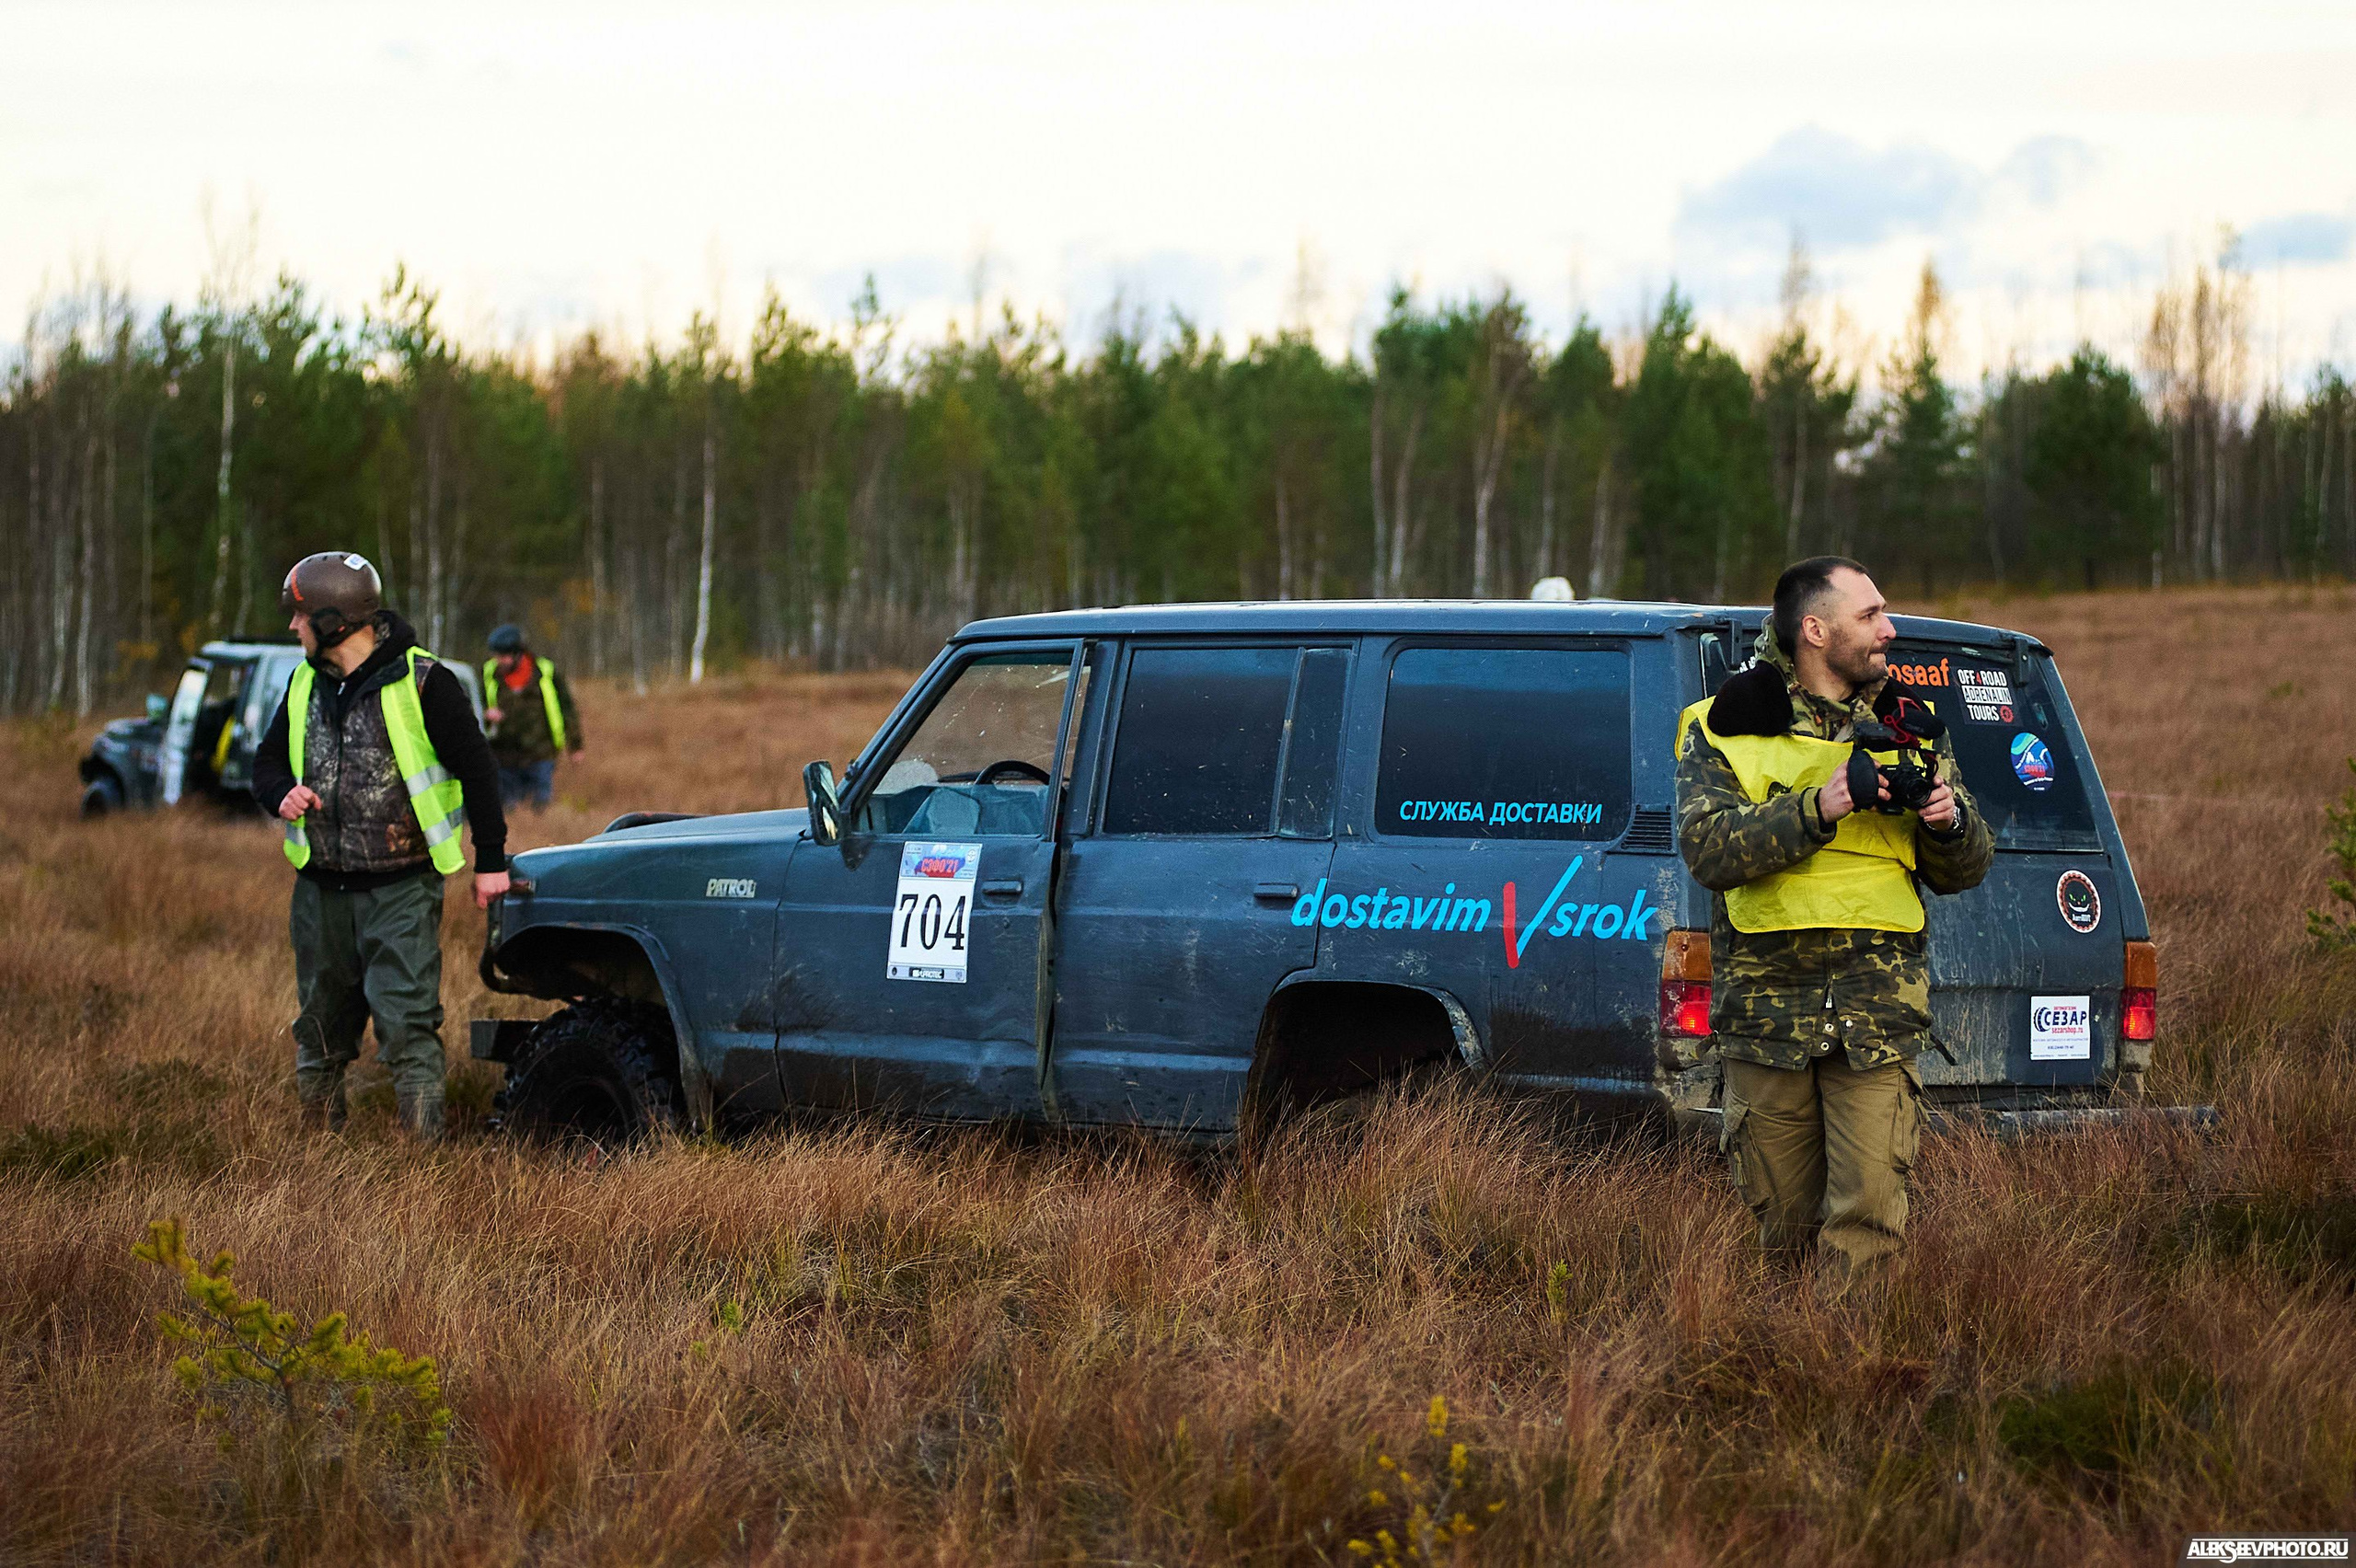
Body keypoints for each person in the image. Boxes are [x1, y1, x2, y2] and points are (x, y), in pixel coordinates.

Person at [1673, 556, 1992, 1292]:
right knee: (1781, 1229)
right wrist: (1822, 805)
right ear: (1815, 630)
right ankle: (1785, 1372)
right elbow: (1709, 850)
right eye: (1871, 615)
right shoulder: (1725, 726)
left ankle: (1852, 1380)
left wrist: (1948, 823)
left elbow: (1966, 869)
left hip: (1877, 1017)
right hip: (1768, 1018)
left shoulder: (1911, 726)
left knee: (1870, 1222)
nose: (1890, 629)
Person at [251, 552, 509, 1140]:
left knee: (408, 1028)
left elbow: (479, 770)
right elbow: (265, 764)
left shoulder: (426, 683)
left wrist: (490, 863)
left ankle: (426, 1162)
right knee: (319, 1031)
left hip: (400, 890)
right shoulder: (301, 684)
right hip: (319, 893)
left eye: (300, 617)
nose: (293, 628)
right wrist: (280, 795)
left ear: (334, 622)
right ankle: (320, 1152)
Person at [482, 623, 583, 813]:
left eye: (503, 656)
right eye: (496, 656)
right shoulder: (488, 673)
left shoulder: (545, 671)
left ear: (518, 653)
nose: (499, 661)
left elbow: (567, 708)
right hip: (505, 756)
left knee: (540, 808)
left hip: (541, 752)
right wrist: (486, 715)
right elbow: (474, 706)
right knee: (509, 811)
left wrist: (575, 745)